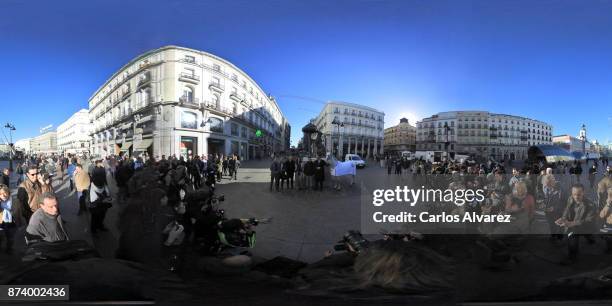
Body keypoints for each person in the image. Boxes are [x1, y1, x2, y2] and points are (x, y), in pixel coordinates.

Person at [556, 183, 597, 264]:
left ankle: (572, 258)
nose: (576, 197)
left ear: (583, 193)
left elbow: (589, 221)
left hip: (586, 226)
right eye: (574, 194)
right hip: (574, 223)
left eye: (579, 194)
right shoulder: (570, 199)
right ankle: (590, 239)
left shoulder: (590, 205)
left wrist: (572, 224)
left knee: (573, 234)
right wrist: (563, 218)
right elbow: (566, 210)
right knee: (567, 230)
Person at [89, 160, 111, 234]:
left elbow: (107, 193)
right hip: (96, 206)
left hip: (102, 205)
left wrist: (108, 197)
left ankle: (100, 226)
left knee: (101, 216)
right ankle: (94, 230)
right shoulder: (92, 186)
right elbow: (92, 199)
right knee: (95, 217)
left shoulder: (102, 183)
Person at [539, 175, 564, 241]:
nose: (548, 187)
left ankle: (560, 238)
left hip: (558, 213)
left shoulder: (561, 189)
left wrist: (554, 208)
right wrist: (543, 203)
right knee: (551, 225)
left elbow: (565, 202)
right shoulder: (545, 187)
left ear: (553, 182)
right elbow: (546, 198)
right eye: (546, 185)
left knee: (559, 226)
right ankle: (553, 235)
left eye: (549, 185)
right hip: (548, 212)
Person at [0, 184, 16, 253]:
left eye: (4, 193)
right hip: (1, 222)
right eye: (0, 194)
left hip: (11, 222)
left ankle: (9, 248)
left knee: (10, 237)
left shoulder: (13, 201)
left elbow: (17, 212)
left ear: (8, 192)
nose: (3, 195)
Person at [598, 187, 612, 253]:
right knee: (607, 235)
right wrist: (608, 205)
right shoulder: (607, 203)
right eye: (609, 194)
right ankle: (609, 247)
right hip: (609, 225)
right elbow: (601, 215)